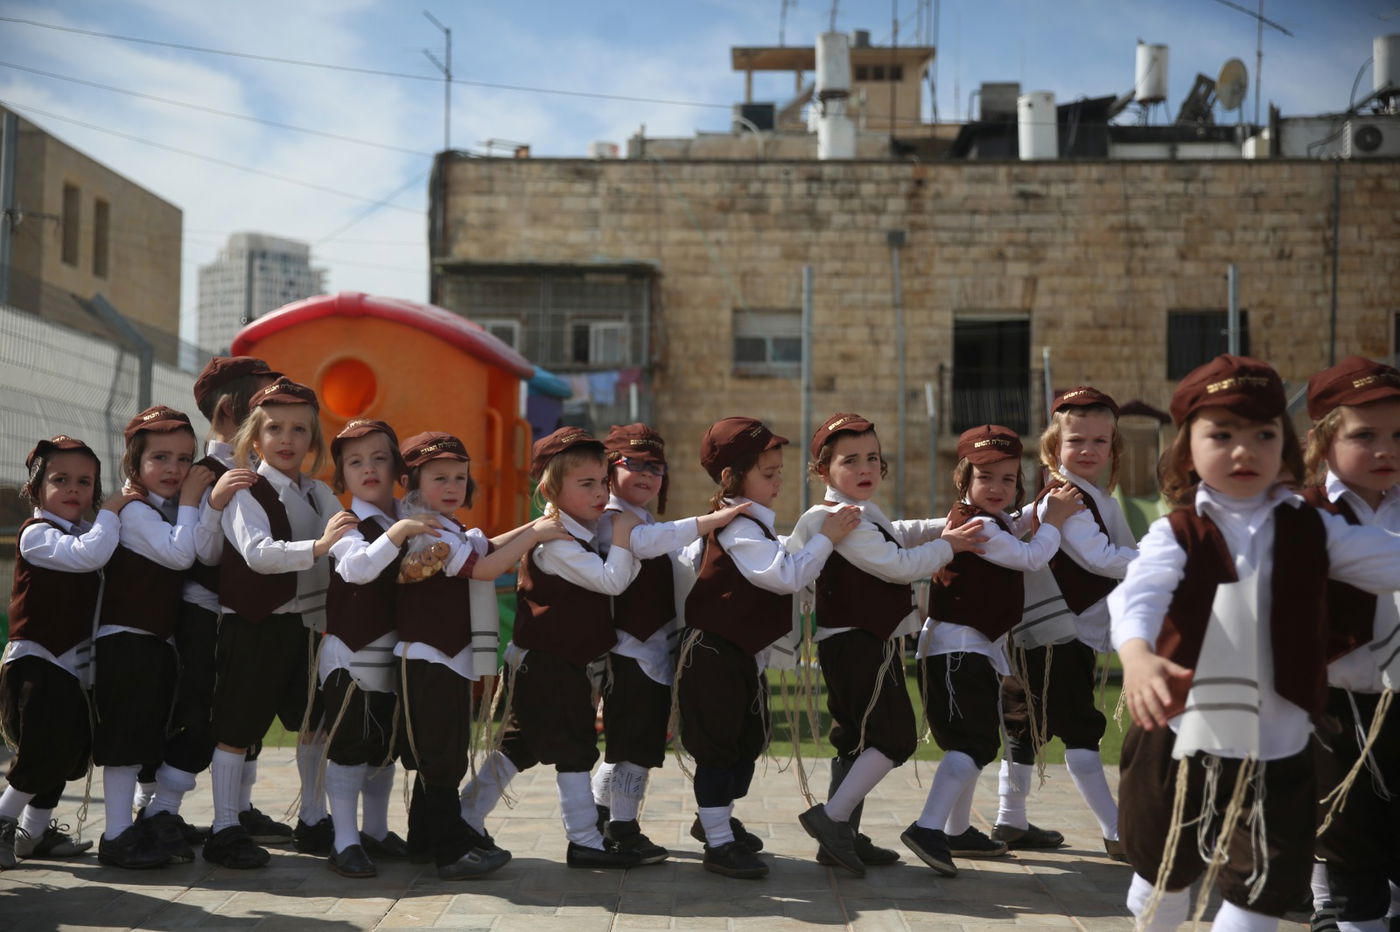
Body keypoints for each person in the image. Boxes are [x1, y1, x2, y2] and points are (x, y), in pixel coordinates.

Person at [1111, 354, 1400, 932]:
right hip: (1182, 731)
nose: (1244, 451)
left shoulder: (1312, 526)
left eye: (1263, 434)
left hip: (1278, 739)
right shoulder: (1178, 530)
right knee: (1164, 879)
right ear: (1187, 448)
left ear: (1286, 447)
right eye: (1222, 435)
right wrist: (1139, 657)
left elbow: (1386, 561)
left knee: (1264, 888)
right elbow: (1136, 596)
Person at [788, 413, 985, 875]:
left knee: (855, 740)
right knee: (894, 736)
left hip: (858, 642)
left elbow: (899, 532)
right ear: (823, 472)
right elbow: (898, 564)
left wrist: (949, 525)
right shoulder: (838, 518)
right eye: (850, 460)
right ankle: (832, 822)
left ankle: (841, 838)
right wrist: (952, 544)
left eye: (873, 458)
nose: (865, 467)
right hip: (857, 643)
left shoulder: (861, 514)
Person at [677, 416, 860, 879]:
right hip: (713, 652)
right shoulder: (738, 526)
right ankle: (718, 843)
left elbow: (781, 556)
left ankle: (714, 821)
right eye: (767, 473)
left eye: (779, 471)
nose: (778, 481)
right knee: (719, 748)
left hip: (738, 653)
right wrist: (826, 539)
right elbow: (784, 576)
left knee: (747, 742)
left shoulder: (754, 526)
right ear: (730, 478)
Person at [460, 427, 646, 869]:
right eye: (586, 484)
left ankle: (464, 817)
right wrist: (622, 534)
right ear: (550, 489)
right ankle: (585, 840)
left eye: (603, 482)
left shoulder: (578, 530)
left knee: (519, 747)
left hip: (557, 660)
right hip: (548, 662)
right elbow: (611, 580)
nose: (601, 493)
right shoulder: (557, 540)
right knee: (577, 749)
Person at [904, 425, 1080, 877]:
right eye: (986, 477)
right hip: (957, 651)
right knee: (973, 742)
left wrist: (1042, 505)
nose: (998, 487)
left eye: (1008, 478)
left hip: (970, 650)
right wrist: (1055, 521)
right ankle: (928, 827)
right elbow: (1029, 556)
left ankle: (958, 831)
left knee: (975, 739)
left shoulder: (991, 520)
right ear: (964, 481)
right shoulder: (978, 524)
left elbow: (1017, 524)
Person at [394, 431, 569, 879]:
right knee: (442, 758)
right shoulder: (426, 529)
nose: (452, 486)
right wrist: (536, 537)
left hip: (447, 657)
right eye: (439, 478)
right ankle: (451, 852)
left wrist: (533, 528)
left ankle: (424, 841)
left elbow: (485, 546)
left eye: (459, 477)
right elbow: (487, 567)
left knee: (444, 753)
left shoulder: (447, 527)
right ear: (413, 482)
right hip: (429, 657)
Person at [203, 378, 351, 869]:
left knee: (315, 723)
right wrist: (321, 548)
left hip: (305, 627)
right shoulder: (245, 488)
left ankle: (312, 819)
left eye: (300, 430)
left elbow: (352, 541)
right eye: (274, 428)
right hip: (253, 625)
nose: (287, 439)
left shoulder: (318, 492)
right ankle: (225, 828)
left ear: (314, 440)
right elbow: (259, 555)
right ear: (254, 436)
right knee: (237, 727)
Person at [589, 423, 750, 864]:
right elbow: (645, 544)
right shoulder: (609, 517)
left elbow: (673, 557)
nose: (646, 474)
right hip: (628, 651)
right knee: (632, 749)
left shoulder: (642, 517)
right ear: (609, 469)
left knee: (634, 746)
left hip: (654, 652)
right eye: (634, 464)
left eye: (656, 468)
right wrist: (708, 522)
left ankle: (601, 816)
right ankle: (621, 828)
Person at [146, 357, 282, 852]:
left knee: (247, 708)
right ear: (231, 408)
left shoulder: (253, 468)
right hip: (206, 611)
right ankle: (160, 811)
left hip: (243, 611)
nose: (276, 411)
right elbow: (204, 552)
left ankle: (240, 809)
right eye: (266, 401)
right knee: (204, 714)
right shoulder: (206, 472)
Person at [995, 388, 1137, 859]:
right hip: (1055, 632)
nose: (1089, 450)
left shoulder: (1094, 498)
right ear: (1054, 448)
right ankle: (1116, 832)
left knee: (1027, 723)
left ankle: (1010, 821)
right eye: (1077, 440)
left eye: (1100, 441)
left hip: (1060, 631)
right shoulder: (1066, 499)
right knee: (1075, 726)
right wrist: (1164, 557)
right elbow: (1101, 559)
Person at [0, 436, 141, 869]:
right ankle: (4, 820)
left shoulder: (84, 532)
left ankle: (33, 833)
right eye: (60, 480)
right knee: (42, 750)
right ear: (36, 489)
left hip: (74, 663)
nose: (73, 489)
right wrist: (114, 512)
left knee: (67, 752)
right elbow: (87, 555)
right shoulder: (36, 535)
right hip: (38, 659)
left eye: (84, 481)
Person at [1296, 357, 1400, 932]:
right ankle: (1341, 912)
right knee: (1345, 832)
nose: (1386, 448)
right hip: (1336, 703)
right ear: (1323, 441)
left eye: (1399, 434)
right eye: (1365, 435)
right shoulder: (1308, 515)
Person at [94, 407, 212, 868]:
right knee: (126, 737)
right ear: (134, 464)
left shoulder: (155, 508)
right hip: (127, 640)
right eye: (160, 457)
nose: (175, 469)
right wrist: (192, 499)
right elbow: (180, 554)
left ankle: (142, 822)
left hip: (151, 641)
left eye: (184, 459)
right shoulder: (137, 511)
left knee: (145, 733)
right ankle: (117, 836)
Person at [319, 418, 435, 878]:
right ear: (341, 476)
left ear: (398, 467)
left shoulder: (407, 515)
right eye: (355, 461)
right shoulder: (346, 524)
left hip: (395, 654)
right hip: (351, 655)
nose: (368, 468)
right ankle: (343, 840)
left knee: (383, 748)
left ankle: (376, 830)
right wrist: (402, 531)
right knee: (349, 747)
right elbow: (359, 571)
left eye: (379, 458)